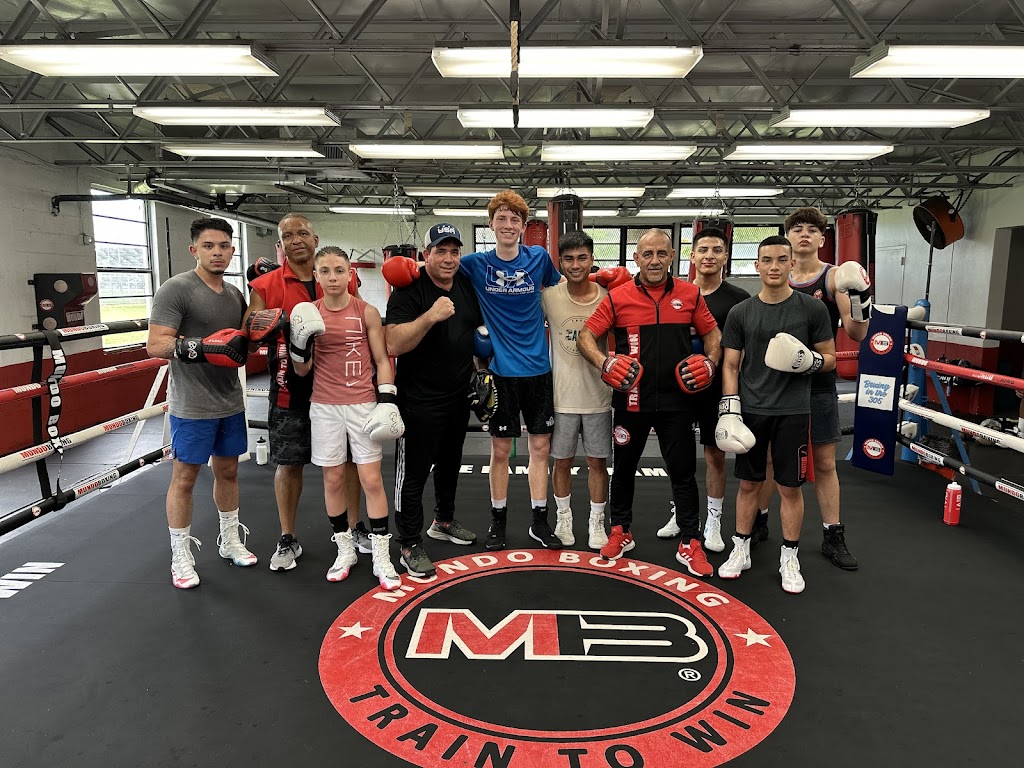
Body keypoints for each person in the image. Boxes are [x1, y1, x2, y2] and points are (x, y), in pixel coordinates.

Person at [577, 228, 722, 576]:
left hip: (678, 402)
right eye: (647, 254)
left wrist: (711, 363)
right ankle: (620, 530)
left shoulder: (690, 294)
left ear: (672, 256)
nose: (654, 261)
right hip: (631, 400)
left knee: (683, 472)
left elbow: (713, 334)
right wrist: (604, 362)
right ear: (636, 258)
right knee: (624, 468)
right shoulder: (618, 297)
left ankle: (690, 541)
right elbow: (585, 337)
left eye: (661, 253)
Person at [246, 214, 369, 572]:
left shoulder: (341, 276)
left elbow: (359, 320)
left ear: (315, 239)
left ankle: (354, 528)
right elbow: (249, 336)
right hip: (291, 388)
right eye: (288, 235)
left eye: (302, 233)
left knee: (349, 461)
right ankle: (288, 537)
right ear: (280, 244)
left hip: (340, 386)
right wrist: (272, 326)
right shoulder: (266, 285)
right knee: (289, 464)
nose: (296, 239)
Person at [715, 235, 837, 594]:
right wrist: (730, 410)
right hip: (752, 409)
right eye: (766, 260)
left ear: (792, 264)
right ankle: (740, 548)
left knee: (789, 487)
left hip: (794, 410)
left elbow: (830, 358)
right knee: (748, 483)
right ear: (756, 266)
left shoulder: (811, 309)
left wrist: (809, 361)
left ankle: (790, 556)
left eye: (781, 260)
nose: (773, 266)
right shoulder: (741, 312)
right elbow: (731, 365)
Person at [755, 208, 871, 570]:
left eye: (812, 229)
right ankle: (758, 522)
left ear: (822, 238)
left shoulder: (833, 277)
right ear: (787, 236)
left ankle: (833, 535)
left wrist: (861, 299)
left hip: (817, 385)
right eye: (797, 228)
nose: (804, 234)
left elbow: (857, 333)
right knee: (770, 459)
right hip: (777, 386)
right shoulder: (776, 276)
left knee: (824, 463)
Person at [147, 217, 256, 589]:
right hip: (192, 404)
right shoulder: (177, 289)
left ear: (232, 250)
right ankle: (180, 554)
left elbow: (240, 347)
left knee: (229, 472)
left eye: (223, 246)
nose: (217, 253)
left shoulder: (234, 295)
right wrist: (202, 347)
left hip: (229, 400)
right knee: (185, 478)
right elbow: (155, 344)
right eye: (209, 246)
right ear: (194, 250)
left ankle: (230, 539)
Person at [289, 246, 404, 588]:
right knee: (333, 479)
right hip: (325, 406)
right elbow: (302, 370)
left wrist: (387, 399)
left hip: (362, 404)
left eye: (339, 270)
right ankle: (345, 550)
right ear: (316, 275)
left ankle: (381, 556)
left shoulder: (366, 311)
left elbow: (382, 360)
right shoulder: (309, 313)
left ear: (349, 273)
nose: (333, 277)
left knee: (371, 480)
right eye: (325, 271)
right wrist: (298, 345)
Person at [458, 190, 564, 550]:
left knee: (540, 447)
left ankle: (539, 522)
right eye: (501, 218)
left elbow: (563, 291)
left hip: (538, 369)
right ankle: (498, 522)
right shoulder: (475, 264)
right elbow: (440, 271)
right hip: (501, 372)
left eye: (514, 219)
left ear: (523, 226)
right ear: (491, 224)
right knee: (501, 450)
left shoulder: (539, 258)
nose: (507, 224)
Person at [384, 223, 483, 577]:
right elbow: (393, 343)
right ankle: (409, 543)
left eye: (454, 252)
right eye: (441, 251)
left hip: (458, 397)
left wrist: (482, 372)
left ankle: (443, 521)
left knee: (450, 465)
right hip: (418, 401)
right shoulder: (408, 291)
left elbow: (475, 333)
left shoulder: (466, 287)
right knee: (412, 475)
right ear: (426, 255)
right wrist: (430, 316)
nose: (448, 258)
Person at [656, 227, 750, 553]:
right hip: (678, 389)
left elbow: (741, 351)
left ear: (726, 257)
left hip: (716, 389)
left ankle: (713, 520)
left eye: (717, 250)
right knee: (677, 455)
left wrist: (732, 393)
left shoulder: (738, 299)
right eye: (704, 250)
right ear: (692, 256)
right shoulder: (674, 292)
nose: (710, 255)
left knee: (714, 454)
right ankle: (682, 514)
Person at [542, 230, 632, 550]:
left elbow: (630, 334)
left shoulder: (609, 297)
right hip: (561, 397)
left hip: (598, 396)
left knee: (597, 463)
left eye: (582, 258)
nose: (576, 265)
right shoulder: (549, 297)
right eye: (568, 259)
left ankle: (597, 521)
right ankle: (563, 518)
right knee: (561, 462)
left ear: (592, 259)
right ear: (560, 262)